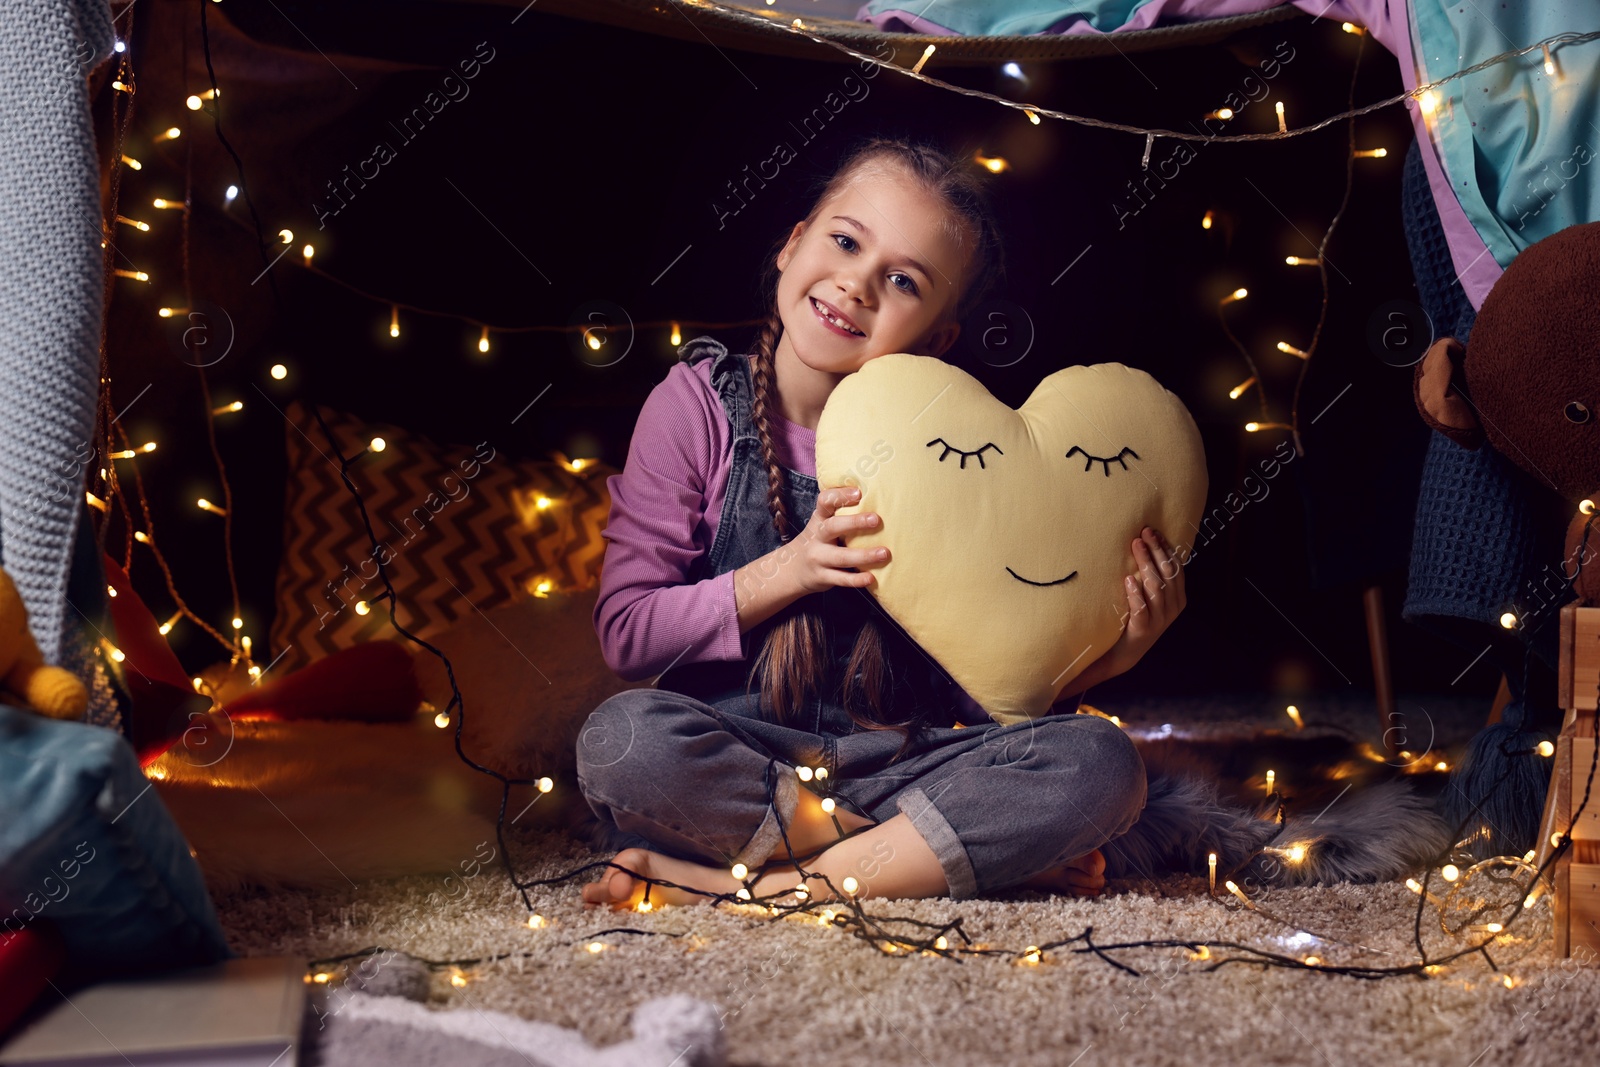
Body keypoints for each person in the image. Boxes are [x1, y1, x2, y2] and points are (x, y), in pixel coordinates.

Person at [578, 136, 1185, 912]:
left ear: (936, 340)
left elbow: (979, 686)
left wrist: (1110, 656)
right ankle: (915, 855)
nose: (856, 284)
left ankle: (766, 884)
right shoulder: (698, 406)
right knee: (622, 741)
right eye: (844, 240)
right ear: (793, 244)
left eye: (902, 280)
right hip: (745, 756)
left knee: (1103, 762)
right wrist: (788, 568)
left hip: (906, 757)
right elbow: (628, 633)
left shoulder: (958, 447)